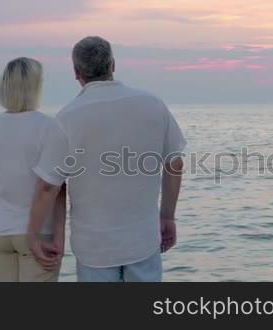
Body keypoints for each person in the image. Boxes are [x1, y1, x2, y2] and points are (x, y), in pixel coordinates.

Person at [27, 36, 186, 282]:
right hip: (143, 238)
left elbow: (49, 186)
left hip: (94, 245)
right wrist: (167, 217)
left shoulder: (67, 118)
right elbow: (174, 163)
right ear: (113, 64)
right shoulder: (152, 105)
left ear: (76, 72)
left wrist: (34, 235)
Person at [0, 57, 66, 282]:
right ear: (36, 86)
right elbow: (54, 189)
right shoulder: (50, 127)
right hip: (36, 234)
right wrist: (59, 236)